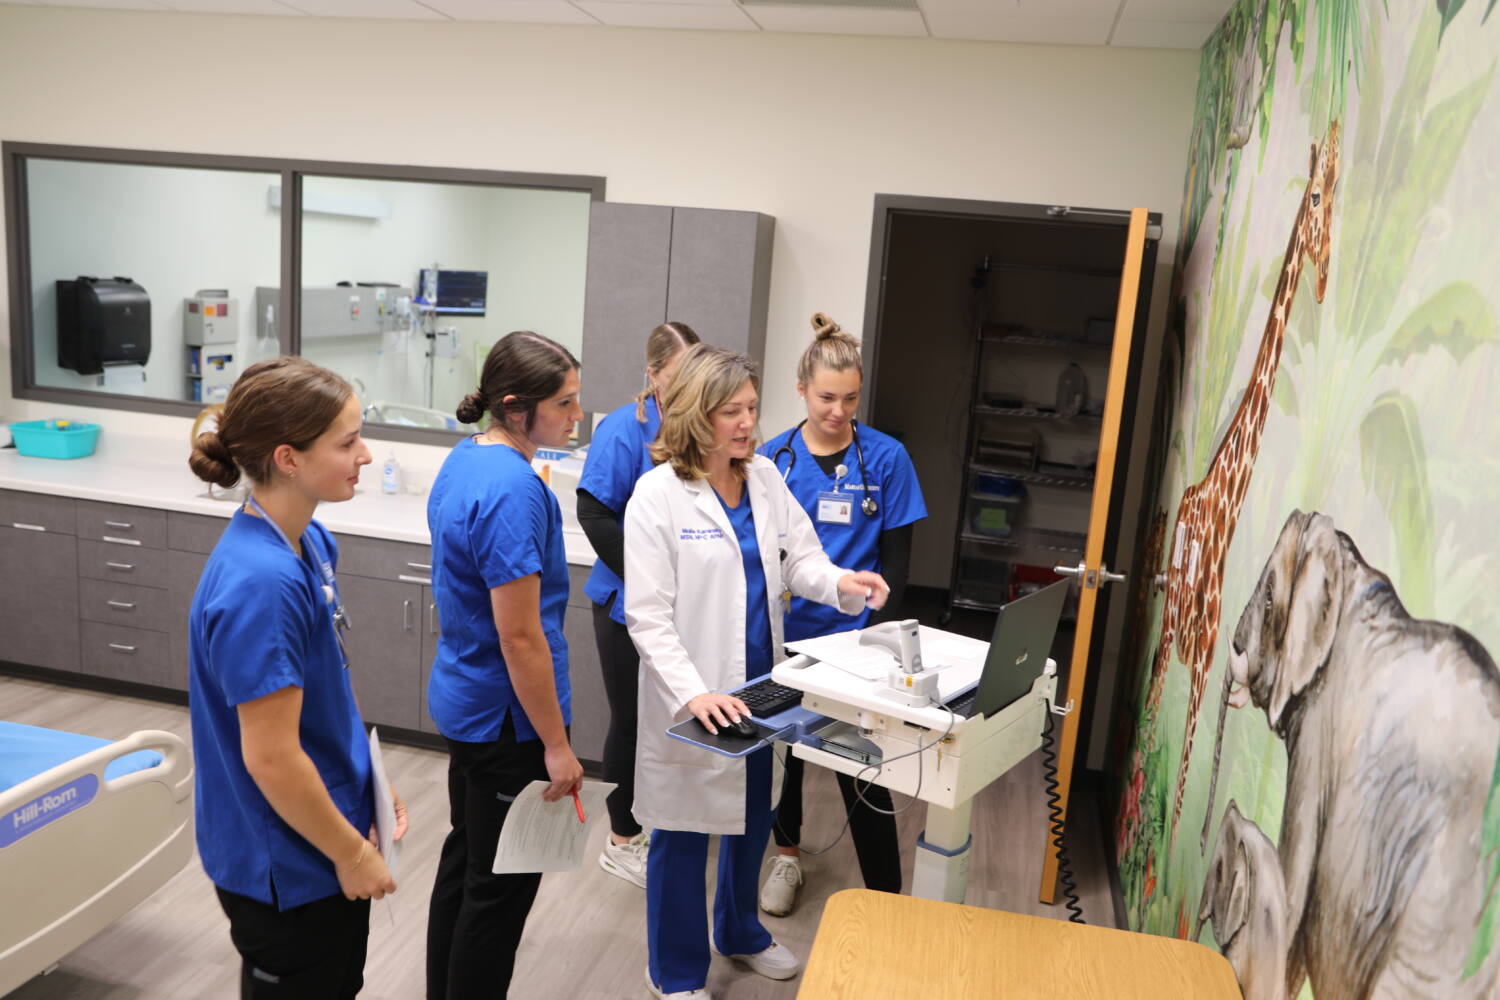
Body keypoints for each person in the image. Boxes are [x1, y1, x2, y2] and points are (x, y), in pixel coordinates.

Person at [624, 344, 890, 1000]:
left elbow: (800, 561)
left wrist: (842, 584)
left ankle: (740, 933)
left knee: (750, 820)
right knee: (683, 837)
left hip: (759, 686)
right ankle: (678, 975)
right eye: (731, 411)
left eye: (750, 408)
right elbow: (648, 618)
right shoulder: (657, 498)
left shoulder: (765, 479)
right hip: (695, 695)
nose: (747, 423)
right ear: (694, 415)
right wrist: (695, 693)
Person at [187, 356, 407, 999]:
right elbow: (273, 759)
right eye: (347, 442)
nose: (365, 454)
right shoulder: (263, 583)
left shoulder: (308, 544)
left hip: (324, 829)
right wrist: (352, 853)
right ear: (288, 457)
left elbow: (322, 688)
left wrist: (369, 785)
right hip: (288, 860)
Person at [424, 331, 586, 999]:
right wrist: (556, 746)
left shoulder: (465, 460)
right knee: (498, 897)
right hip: (507, 722)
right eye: (566, 403)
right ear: (518, 407)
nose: (578, 415)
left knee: (467, 867)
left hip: (466, 702)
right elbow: (520, 638)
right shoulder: (513, 490)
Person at [756, 313, 929, 916]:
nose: (838, 410)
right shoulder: (769, 460)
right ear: (801, 388)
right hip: (788, 641)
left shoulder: (886, 458)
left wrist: (879, 642)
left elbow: (899, 565)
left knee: (864, 771)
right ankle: (787, 859)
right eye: (827, 397)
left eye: (851, 398)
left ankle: (886, 897)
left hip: (858, 646)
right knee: (789, 764)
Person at [577, 321, 701, 887]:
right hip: (626, 602)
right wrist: (650, 579)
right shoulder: (626, 430)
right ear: (651, 375)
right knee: (630, 720)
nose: (690, 388)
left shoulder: (698, 426)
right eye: (678, 377)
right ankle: (621, 839)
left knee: (672, 721)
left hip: (685, 606)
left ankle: (663, 823)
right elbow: (594, 514)